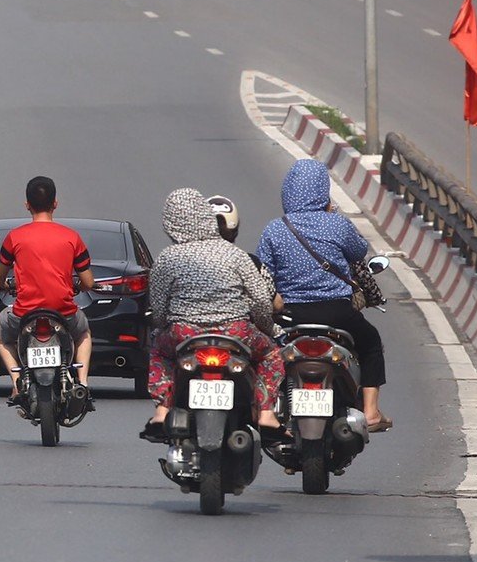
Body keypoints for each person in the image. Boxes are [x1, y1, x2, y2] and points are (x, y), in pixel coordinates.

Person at [257, 159, 391, 431]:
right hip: (337, 313)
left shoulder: (275, 229)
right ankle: (371, 411)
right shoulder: (336, 224)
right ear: (322, 190)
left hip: (290, 316)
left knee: (265, 353)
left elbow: (263, 273)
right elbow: (359, 253)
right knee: (371, 342)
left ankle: (268, 410)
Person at [141, 188, 283, 443]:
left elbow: (159, 311)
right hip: (236, 332)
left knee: (158, 351)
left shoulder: (167, 258)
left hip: (184, 335)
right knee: (271, 355)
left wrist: (163, 327)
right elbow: (262, 300)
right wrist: (267, 328)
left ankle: (162, 410)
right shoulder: (236, 255)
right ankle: (266, 413)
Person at [0, 175, 93, 402]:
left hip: (24, 314)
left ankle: (16, 382)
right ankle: (83, 383)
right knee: (84, 332)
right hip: (64, 313)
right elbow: (88, 282)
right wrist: (75, 284)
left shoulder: (14, 237)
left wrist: (3, 285)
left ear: (27, 205)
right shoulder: (72, 238)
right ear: (55, 203)